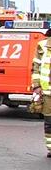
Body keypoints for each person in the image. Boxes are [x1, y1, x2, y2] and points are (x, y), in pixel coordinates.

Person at [31, 29, 51, 158]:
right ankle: (50, 148)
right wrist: (36, 86)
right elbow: (36, 67)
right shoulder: (43, 45)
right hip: (47, 92)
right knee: (49, 122)